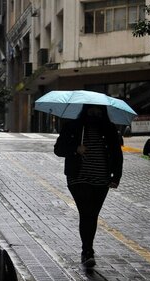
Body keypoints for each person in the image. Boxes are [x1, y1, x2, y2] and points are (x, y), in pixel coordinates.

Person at [54, 104, 123, 268]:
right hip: (78, 177)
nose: (95, 113)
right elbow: (58, 149)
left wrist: (116, 176)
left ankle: (87, 249)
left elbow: (116, 153)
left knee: (92, 215)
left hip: (101, 179)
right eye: (91, 110)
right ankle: (87, 251)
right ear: (85, 110)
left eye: (98, 110)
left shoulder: (109, 129)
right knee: (86, 212)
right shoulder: (72, 126)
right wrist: (75, 149)